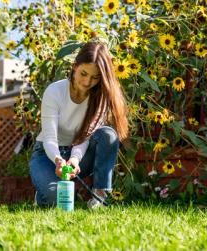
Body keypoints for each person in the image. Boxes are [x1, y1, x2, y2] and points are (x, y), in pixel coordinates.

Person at [29, 41, 129, 209]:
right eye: (83, 73)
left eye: (95, 77)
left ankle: (99, 196)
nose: (87, 82)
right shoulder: (54, 92)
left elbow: (85, 136)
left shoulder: (100, 98)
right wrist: (58, 160)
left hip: (80, 154)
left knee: (108, 135)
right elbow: (50, 139)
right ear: (75, 66)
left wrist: (74, 159)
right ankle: (42, 194)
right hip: (47, 154)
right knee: (55, 201)